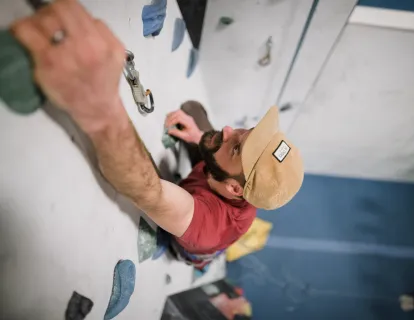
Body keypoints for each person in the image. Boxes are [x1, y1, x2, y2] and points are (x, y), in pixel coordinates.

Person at [10, 0, 304, 268]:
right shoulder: (240, 182)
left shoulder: (205, 224)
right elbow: (227, 147)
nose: (228, 129)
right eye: (245, 133)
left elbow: (148, 191)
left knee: (146, 169)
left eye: (236, 147)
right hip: (215, 189)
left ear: (235, 190)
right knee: (195, 117)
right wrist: (199, 137)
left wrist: (100, 109)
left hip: (189, 246)